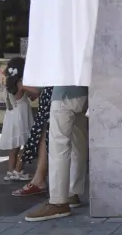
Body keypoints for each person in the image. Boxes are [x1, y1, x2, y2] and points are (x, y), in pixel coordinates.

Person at [24, 86, 88, 221]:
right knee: (79, 144)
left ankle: (58, 201)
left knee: (58, 146)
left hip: (63, 93)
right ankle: (72, 192)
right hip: (84, 91)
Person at [0, 58, 38, 182]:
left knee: (14, 145)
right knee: (27, 143)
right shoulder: (20, 83)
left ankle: (11, 170)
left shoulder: (6, 82)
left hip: (10, 115)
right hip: (21, 115)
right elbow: (37, 91)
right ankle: (18, 169)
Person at [12, 86, 54, 198]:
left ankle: (39, 180)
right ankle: (40, 179)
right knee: (46, 131)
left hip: (56, 89)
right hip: (59, 89)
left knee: (46, 131)